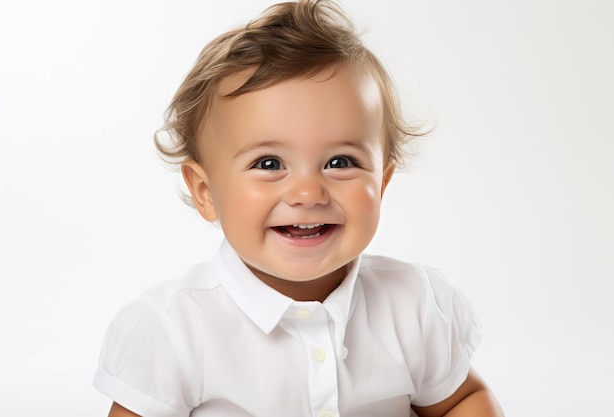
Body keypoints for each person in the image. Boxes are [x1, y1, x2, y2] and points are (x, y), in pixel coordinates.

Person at [93, 1, 504, 416]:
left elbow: (463, 401)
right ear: (205, 191)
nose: (308, 193)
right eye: (269, 164)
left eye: (340, 162)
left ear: (381, 183)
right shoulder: (173, 330)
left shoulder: (413, 305)